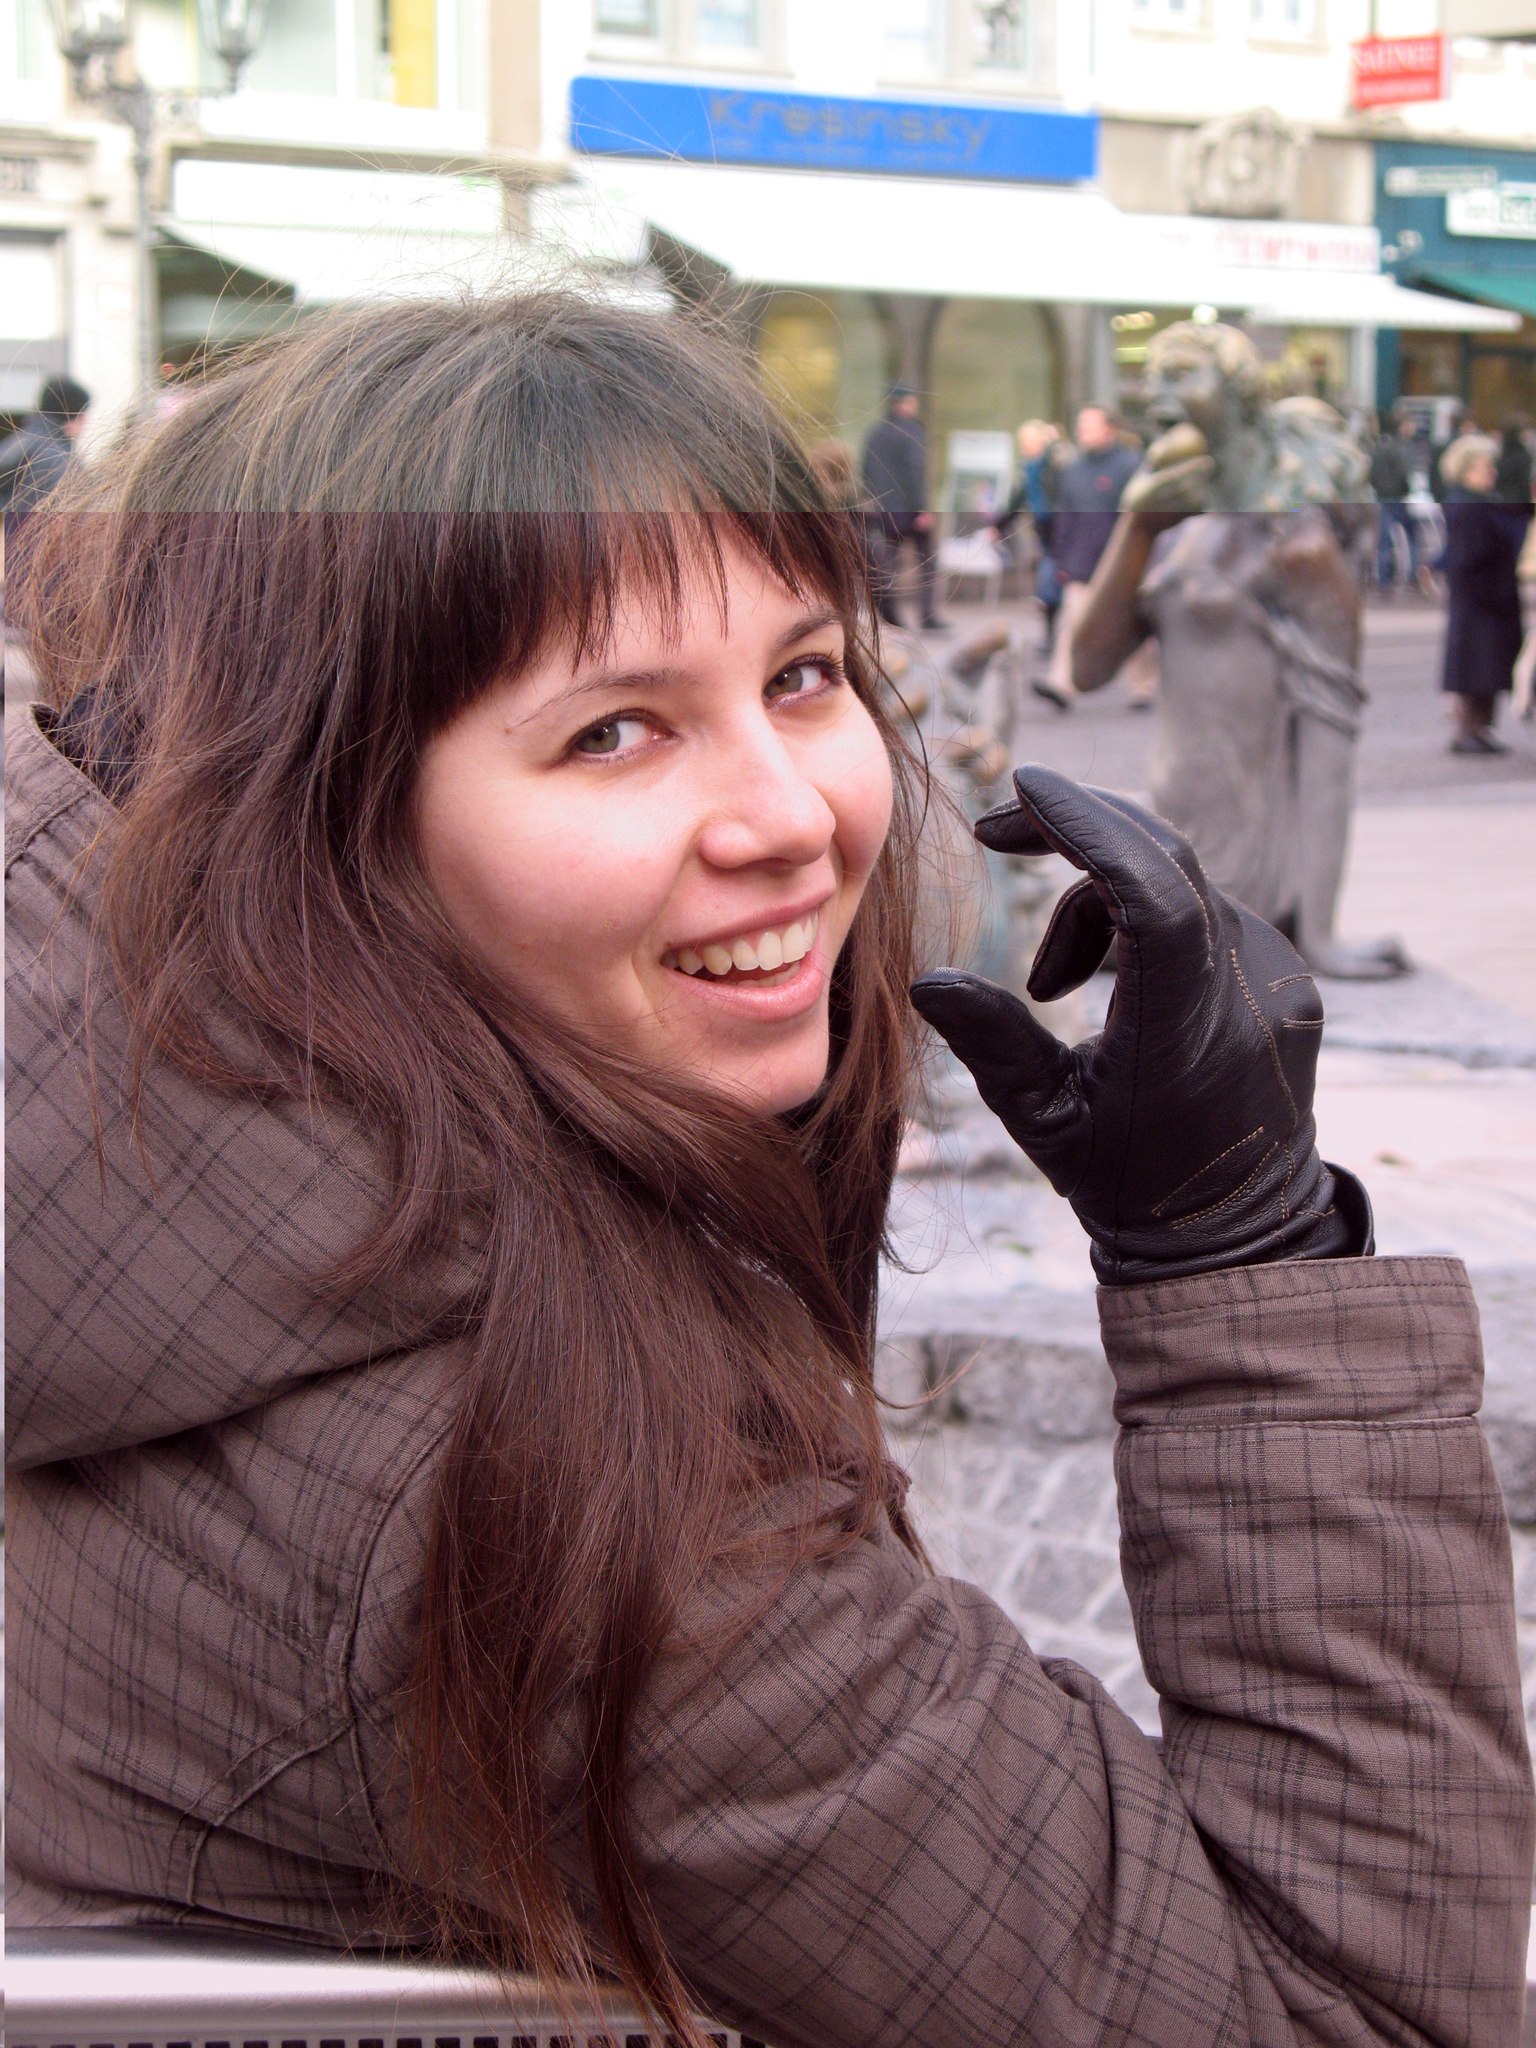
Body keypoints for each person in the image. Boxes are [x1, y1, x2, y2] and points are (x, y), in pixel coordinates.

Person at [8, 293, 1533, 2048]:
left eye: (803, 675)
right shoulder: (550, 1499)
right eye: (612, 730)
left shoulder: (192, 1137)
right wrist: (1242, 1256)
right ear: (319, 816)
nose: (795, 814)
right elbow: (1354, 2011)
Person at [1070, 321, 1407, 982]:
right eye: (1152, 377)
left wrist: (1320, 933)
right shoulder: (1170, 522)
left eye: (1180, 376)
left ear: (1240, 392)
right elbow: (1086, 669)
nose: (1154, 394)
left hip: (1251, 861)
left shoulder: (1299, 543)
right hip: (1177, 830)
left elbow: (1329, 745)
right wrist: (1136, 528)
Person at [1032, 404, 1143, 711]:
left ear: (1110, 429)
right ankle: (1061, 683)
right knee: (1072, 622)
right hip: (1081, 562)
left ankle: (1143, 687)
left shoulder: (1130, 466)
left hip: (1124, 562)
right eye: (1081, 425)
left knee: (1137, 626)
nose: (1082, 430)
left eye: (1089, 425)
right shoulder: (1072, 469)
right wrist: (1061, 560)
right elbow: (1064, 517)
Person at [1438, 432, 1531, 755]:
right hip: (1482, 601)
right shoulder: (1469, 506)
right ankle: (1469, 730)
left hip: (1487, 599)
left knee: (1486, 670)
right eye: (1484, 466)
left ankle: (1479, 729)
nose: (1492, 471)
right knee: (1478, 669)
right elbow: (1470, 557)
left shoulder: (1478, 501)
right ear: (1466, 469)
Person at [860, 383, 947, 631]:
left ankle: (890, 616)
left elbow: (865, 473)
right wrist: (922, 508)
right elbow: (915, 472)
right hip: (910, 510)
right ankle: (927, 615)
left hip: (884, 511)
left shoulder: (875, 434)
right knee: (927, 562)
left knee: (887, 565)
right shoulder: (912, 431)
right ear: (906, 403)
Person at [989, 418, 1063, 652]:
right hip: (1043, 529)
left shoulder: (1054, 464)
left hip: (1060, 528)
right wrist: (998, 525)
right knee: (1049, 578)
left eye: (1027, 440)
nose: (1023, 445)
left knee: (1052, 577)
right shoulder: (1028, 467)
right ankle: (1051, 635)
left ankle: (1056, 634)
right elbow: (1017, 499)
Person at [0, 374, 90, 537]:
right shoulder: (56, 460)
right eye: (84, 414)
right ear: (72, 414)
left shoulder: (17, 442)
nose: (86, 422)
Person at [1368, 413, 1418, 591]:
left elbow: (1371, 474)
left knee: (1384, 540)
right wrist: (1407, 490)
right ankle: (1413, 575)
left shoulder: (1377, 446)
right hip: (1398, 497)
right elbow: (1405, 472)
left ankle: (1384, 578)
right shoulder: (1399, 446)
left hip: (1382, 497)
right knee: (1412, 536)